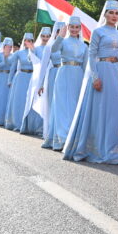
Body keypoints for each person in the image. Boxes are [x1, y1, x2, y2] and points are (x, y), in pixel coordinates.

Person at [63, 0, 118, 164]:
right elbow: (92, 55)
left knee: (116, 110)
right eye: (111, 12)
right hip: (102, 72)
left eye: (117, 13)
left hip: (117, 73)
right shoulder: (97, 32)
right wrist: (95, 77)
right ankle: (98, 147)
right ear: (105, 14)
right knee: (101, 111)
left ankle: (116, 148)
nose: (114, 16)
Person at [43, 18, 88, 151]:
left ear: (80, 28)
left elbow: (85, 66)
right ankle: (62, 138)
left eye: (77, 27)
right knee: (61, 105)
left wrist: (87, 82)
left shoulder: (84, 46)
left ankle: (72, 137)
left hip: (78, 75)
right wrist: (60, 37)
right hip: (63, 73)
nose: (74, 29)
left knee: (74, 106)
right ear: (68, 28)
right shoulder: (63, 41)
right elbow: (53, 50)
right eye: (72, 27)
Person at [20, 27, 52, 135]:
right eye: (43, 36)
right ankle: (32, 126)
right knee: (34, 98)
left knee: (46, 100)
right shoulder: (37, 48)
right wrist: (32, 50)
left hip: (49, 76)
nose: (45, 38)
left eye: (48, 36)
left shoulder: (52, 48)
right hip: (37, 77)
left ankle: (43, 127)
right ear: (40, 36)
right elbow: (31, 60)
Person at [4, 33, 35, 132]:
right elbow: (9, 62)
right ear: (23, 41)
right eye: (26, 40)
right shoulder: (19, 53)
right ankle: (18, 123)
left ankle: (30, 125)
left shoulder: (36, 51)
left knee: (30, 101)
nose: (27, 42)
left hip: (32, 78)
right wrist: (6, 54)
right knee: (19, 101)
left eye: (30, 40)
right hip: (21, 78)